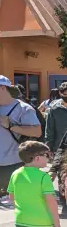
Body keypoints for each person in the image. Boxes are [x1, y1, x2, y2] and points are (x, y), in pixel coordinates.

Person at [0, 75, 42, 217]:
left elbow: (37, 131)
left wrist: (12, 126)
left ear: (3, 88)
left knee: (21, 201)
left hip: (16, 162)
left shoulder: (24, 109)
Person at [45, 82, 67, 216]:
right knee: (62, 175)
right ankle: (64, 201)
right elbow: (49, 129)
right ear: (60, 93)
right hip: (60, 147)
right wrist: (49, 146)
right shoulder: (54, 109)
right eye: (64, 93)